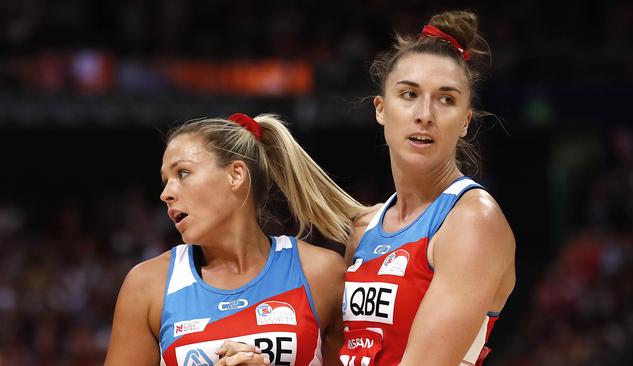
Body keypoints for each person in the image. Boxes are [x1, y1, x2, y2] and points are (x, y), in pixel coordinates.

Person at [104, 113, 364, 365]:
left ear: (236, 175)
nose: (166, 193)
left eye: (182, 173)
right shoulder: (147, 286)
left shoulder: (321, 273)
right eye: (165, 180)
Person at [338, 10, 516, 366]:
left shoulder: (472, 221)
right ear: (381, 109)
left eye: (446, 99)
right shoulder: (362, 228)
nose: (425, 114)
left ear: (465, 122)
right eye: (409, 94)